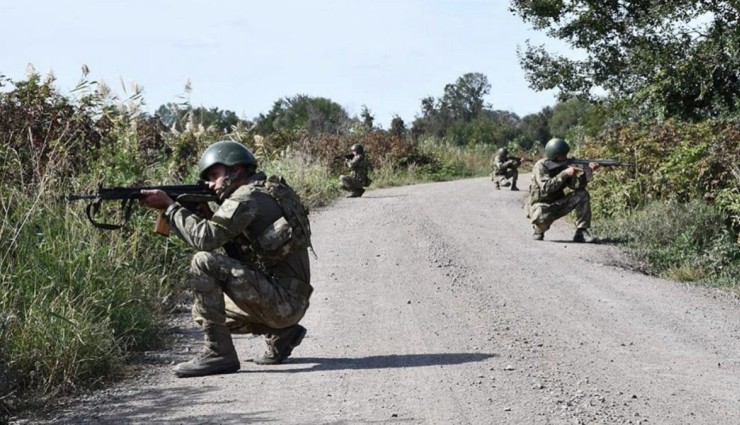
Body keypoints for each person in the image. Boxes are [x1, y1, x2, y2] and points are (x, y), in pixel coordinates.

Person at [140, 140, 313, 377]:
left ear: (236, 170)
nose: (210, 185)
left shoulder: (246, 197)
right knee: (201, 311)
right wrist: (209, 215)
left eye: (214, 175)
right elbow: (248, 253)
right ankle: (283, 333)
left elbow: (206, 240)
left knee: (203, 261)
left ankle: (218, 354)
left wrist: (170, 208)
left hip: (283, 303)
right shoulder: (265, 190)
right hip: (289, 300)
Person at [527, 137, 599, 243]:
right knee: (541, 215)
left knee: (582, 194)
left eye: (566, 154)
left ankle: (581, 232)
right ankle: (539, 230)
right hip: (541, 205)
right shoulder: (541, 166)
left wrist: (588, 173)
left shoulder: (565, 165)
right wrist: (565, 173)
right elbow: (547, 187)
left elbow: (576, 186)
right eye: (562, 155)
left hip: (558, 203)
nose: (565, 157)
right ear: (554, 155)